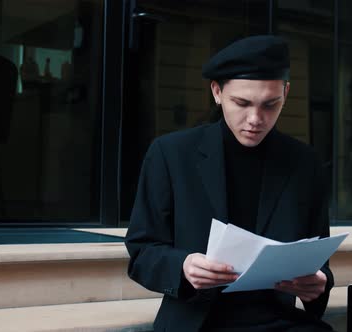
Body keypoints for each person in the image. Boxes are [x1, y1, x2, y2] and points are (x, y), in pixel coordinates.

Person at [125, 35, 334, 332]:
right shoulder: (171, 154)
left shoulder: (305, 163)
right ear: (217, 92)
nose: (255, 119)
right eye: (242, 103)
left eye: (270, 105)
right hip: (197, 322)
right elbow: (142, 253)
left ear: (285, 93)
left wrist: (318, 282)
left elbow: (317, 257)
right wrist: (183, 266)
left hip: (278, 321)